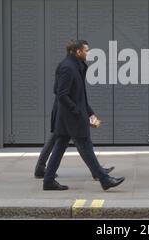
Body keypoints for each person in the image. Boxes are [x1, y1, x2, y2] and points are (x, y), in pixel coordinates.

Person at [42, 40, 125, 191]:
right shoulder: (67, 68)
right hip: (71, 118)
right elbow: (61, 94)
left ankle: (48, 180)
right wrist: (78, 111)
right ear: (77, 52)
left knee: (60, 146)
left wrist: (90, 113)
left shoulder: (76, 66)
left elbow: (79, 96)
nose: (88, 53)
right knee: (85, 145)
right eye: (86, 50)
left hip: (69, 117)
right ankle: (104, 179)